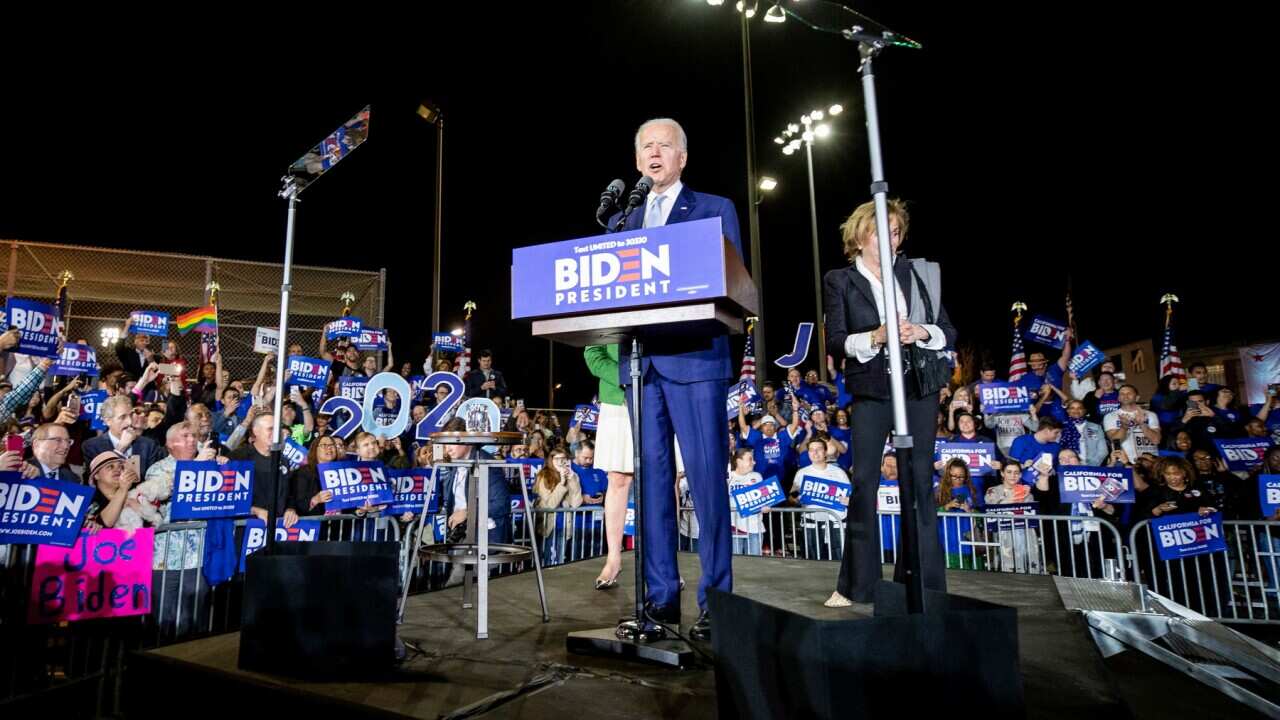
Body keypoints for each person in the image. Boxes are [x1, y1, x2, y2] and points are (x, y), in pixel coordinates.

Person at [608, 117, 743, 641]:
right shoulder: (623, 220)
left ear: (683, 157)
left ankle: (718, 602)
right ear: (638, 159)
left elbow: (728, 283)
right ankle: (660, 599)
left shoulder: (714, 208)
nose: (655, 153)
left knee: (707, 484)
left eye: (665, 145)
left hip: (696, 362)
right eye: (646, 146)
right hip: (641, 366)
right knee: (652, 488)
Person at [823, 197, 956, 607]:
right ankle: (854, 585)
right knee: (864, 481)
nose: (889, 238)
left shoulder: (918, 275)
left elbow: (948, 330)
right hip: (872, 389)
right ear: (860, 236)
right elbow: (835, 340)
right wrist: (876, 337)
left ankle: (922, 584)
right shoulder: (840, 280)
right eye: (880, 230)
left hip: (919, 388)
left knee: (918, 482)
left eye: (895, 231)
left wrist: (921, 331)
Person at [82, 394, 165, 482]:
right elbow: (96, 482)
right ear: (107, 421)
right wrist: (120, 448)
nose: (129, 422)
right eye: (122, 417)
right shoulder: (92, 446)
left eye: (130, 415)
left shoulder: (148, 445)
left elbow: (154, 480)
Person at [532, 449, 583, 565]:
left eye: (563, 459)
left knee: (561, 560)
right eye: (557, 459)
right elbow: (551, 504)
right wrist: (562, 483)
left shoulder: (572, 475)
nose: (561, 462)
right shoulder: (543, 476)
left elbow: (576, 503)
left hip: (565, 524)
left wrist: (573, 480)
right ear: (551, 460)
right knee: (546, 559)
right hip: (548, 525)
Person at [1103, 385, 1162, 462]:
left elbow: (1156, 440)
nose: (1125, 396)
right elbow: (1114, 441)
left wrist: (1143, 424)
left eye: (1129, 393)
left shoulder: (1150, 415)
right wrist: (1124, 427)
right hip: (1124, 461)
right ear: (1118, 398)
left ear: (1137, 397)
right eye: (1122, 394)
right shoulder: (1110, 416)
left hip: (1149, 462)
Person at [727, 447, 768, 556]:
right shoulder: (728, 477)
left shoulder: (757, 476)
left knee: (755, 564)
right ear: (739, 461)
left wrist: (766, 506)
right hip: (734, 528)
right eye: (750, 459)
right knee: (736, 562)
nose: (754, 462)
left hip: (754, 528)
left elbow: (765, 499)